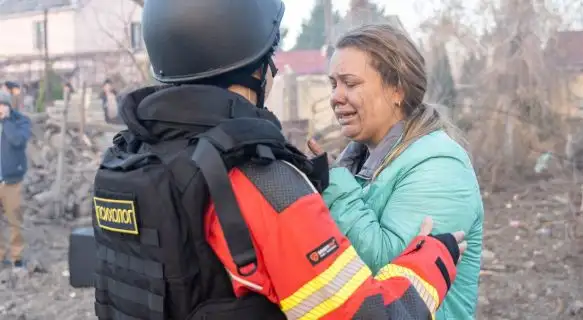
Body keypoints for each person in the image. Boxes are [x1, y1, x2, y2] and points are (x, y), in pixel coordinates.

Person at [91, 1, 466, 319]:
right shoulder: (262, 181)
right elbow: (367, 313)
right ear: (258, 68)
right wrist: (434, 256)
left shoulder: (126, 161)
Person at [307, 24, 484, 320]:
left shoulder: (439, 165)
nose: (336, 97)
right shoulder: (358, 163)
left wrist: (332, 185)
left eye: (350, 83)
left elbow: (395, 277)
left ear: (397, 89)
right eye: (333, 84)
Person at [0, 91, 32, 268]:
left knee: (14, 220)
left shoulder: (20, 121)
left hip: (12, 181)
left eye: (1, 105)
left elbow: (17, 141)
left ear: (8, 106)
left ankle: (16, 257)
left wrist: (6, 122)